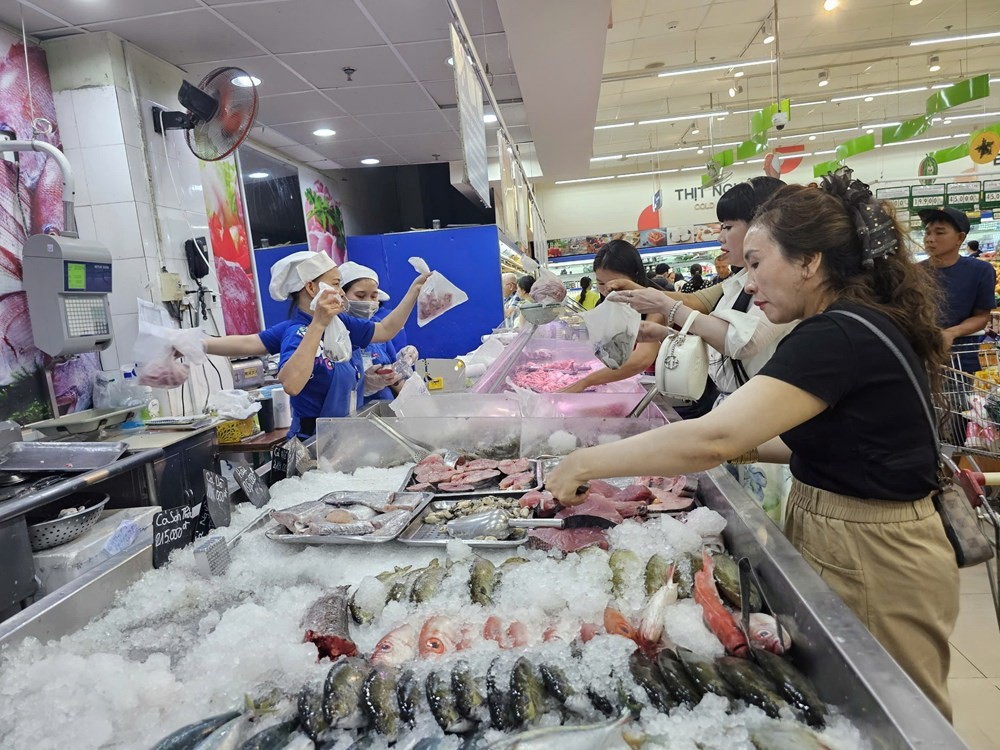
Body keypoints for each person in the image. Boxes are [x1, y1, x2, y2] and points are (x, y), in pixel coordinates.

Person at [548, 169, 958, 719]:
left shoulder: (835, 333)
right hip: (852, 533)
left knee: (895, 716)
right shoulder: (846, 323)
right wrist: (738, 451)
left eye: (757, 264)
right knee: (845, 710)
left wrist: (583, 462)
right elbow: (831, 442)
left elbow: (715, 435)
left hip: (874, 551)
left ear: (810, 261)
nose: (749, 283)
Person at [609, 176, 792, 522]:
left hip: (766, 431)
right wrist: (660, 324)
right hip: (739, 421)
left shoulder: (780, 289)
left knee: (763, 523)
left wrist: (665, 304)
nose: (720, 237)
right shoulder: (738, 281)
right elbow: (704, 312)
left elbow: (742, 341)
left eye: (728, 226)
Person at [271, 251, 427, 437]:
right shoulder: (297, 332)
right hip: (313, 441)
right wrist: (318, 323)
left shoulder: (340, 325)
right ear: (311, 288)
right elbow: (291, 385)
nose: (341, 293)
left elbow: (385, 329)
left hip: (343, 435)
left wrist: (414, 291)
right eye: (336, 284)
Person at [558, 240, 666, 393]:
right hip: (624, 384)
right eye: (600, 283)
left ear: (635, 277)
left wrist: (586, 381)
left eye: (616, 284)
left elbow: (642, 358)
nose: (608, 290)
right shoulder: (607, 304)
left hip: (655, 387)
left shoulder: (655, 304)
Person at [919, 206, 995, 373]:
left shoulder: (980, 271)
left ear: (960, 238)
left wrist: (951, 333)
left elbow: (982, 316)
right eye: (927, 232)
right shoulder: (912, 274)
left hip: (960, 362)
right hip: (919, 360)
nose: (930, 239)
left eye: (939, 233)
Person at [338, 261, 412, 403]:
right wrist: (363, 384)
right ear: (342, 295)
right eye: (360, 296)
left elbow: (393, 371)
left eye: (373, 296)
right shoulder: (337, 332)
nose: (368, 302)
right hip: (353, 411)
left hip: (386, 407)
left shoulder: (377, 325)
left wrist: (402, 363)